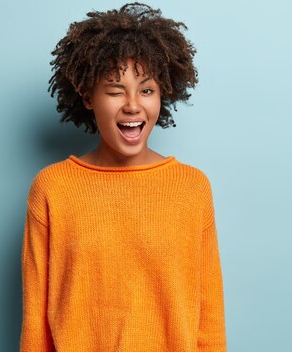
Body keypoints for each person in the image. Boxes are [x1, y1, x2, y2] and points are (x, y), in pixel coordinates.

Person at [20, 3, 227, 351]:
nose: (132, 104)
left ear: (163, 95)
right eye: (115, 90)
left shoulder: (192, 188)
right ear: (88, 97)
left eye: (146, 90)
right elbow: (35, 325)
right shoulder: (53, 189)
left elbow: (210, 321)